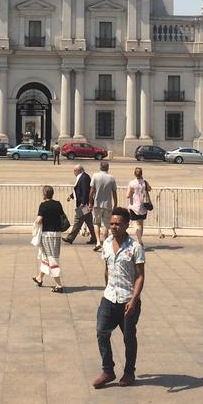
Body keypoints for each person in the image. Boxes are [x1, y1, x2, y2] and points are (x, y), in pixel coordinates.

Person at [93, 207, 145, 389]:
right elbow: (107, 269)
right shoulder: (106, 243)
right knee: (101, 332)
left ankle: (129, 372)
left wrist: (134, 300)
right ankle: (108, 370)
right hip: (109, 298)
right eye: (112, 223)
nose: (114, 226)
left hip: (127, 301)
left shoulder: (135, 247)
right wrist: (107, 286)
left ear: (126, 225)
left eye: (118, 224)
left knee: (128, 339)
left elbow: (140, 276)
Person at [32, 185, 65, 292]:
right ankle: (39, 278)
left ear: (44, 194)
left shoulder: (43, 205)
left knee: (52, 258)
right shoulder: (58, 204)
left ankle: (59, 285)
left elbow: (38, 220)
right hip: (57, 233)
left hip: (48, 234)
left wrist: (35, 225)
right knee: (46, 256)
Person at [89, 161, 118, 252]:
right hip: (107, 204)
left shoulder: (95, 176)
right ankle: (105, 243)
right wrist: (116, 203)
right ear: (108, 168)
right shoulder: (111, 178)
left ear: (100, 167)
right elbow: (114, 192)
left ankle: (98, 241)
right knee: (106, 225)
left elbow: (91, 192)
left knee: (96, 223)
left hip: (97, 203)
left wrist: (90, 203)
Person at [64, 164, 96, 245]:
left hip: (84, 205)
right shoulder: (82, 177)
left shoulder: (84, 178)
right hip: (84, 204)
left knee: (78, 220)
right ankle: (95, 238)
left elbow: (85, 191)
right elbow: (78, 190)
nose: (74, 172)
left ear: (79, 170)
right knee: (89, 222)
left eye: (75, 170)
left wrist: (83, 203)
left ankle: (70, 238)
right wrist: (71, 196)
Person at [126, 167, 152, 246]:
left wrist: (132, 194)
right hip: (143, 206)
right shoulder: (145, 182)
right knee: (141, 223)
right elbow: (150, 189)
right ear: (141, 173)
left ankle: (139, 239)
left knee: (135, 223)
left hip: (134, 205)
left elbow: (127, 195)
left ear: (134, 174)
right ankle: (140, 238)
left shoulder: (132, 183)